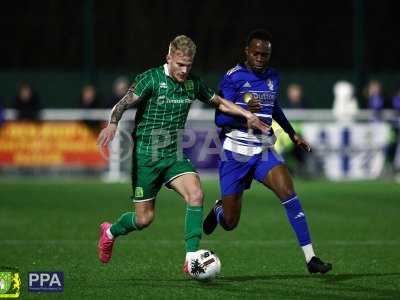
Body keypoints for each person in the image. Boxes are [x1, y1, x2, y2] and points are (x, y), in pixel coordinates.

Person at [96, 35, 268, 274]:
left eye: (189, 65)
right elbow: (122, 104)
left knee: (196, 193)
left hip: (174, 155)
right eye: (180, 64)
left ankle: (191, 258)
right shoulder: (151, 79)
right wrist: (113, 124)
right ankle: (110, 231)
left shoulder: (192, 84)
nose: (185, 70)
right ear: (169, 58)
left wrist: (246, 115)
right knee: (144, 219)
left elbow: (219, 102)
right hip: (147, 158)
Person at [203, 29, 332, 274]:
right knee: (230, 223)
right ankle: (219, 210)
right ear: (247, 52)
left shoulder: (273, 76)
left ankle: (311, 258)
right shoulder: (233, 77)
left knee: (289, 192)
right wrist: (247, 120)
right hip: (236, 153)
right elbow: (219, 117)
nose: (261, 58)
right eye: (257, 53)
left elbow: (274, 108)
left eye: (265, 54)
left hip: (263, 150)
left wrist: (292, 133)